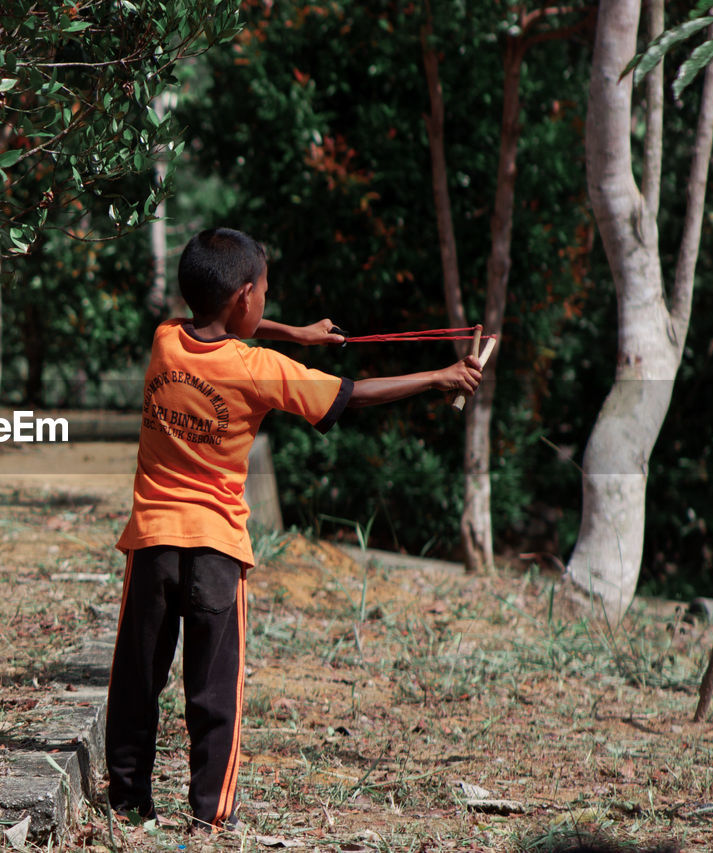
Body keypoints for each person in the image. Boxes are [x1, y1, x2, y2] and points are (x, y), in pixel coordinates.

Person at [105, 227, 483, 832]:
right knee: (213, 695)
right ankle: (208, 820)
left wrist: (298, 333)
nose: (266, 307)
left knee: (135, 685)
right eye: (265, 295)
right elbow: (350, 394)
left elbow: (220, 319)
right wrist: (439, 378)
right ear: (245, 296)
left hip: (151, 542)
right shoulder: (258, 370)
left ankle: (127, 807)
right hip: (215, 552)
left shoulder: (164, 342)